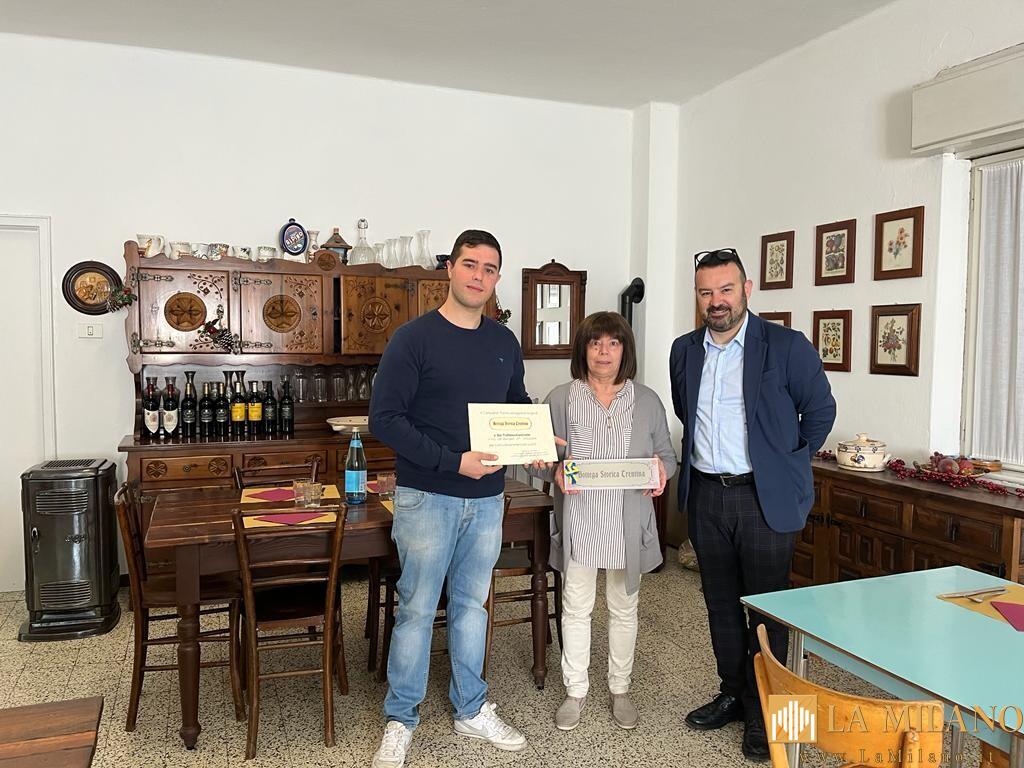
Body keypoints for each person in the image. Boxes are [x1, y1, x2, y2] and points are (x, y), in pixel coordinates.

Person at [368, 229, 534, 768]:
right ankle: (401, 718)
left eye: (489, 268)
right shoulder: (413, 339)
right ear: (450, 268)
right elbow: (385, 419)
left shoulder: (504, 343)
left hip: (486, 500)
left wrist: (535, 441)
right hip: (427, 496)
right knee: (417, 608)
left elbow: (516, 403)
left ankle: (471, 709)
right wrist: (452, 461)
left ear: (497, 278)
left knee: (470, 606)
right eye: (470, 264)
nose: (478, 276)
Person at [668, 248, 836, 762]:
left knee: (766, 609)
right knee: (719, 604)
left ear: (746, 289)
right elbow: (687, 411)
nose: (716, 300)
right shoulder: (684, 350)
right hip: (707, 497)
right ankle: (734, 694)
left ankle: (768, 711)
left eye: (725, 289)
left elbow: (820, 410)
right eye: (706, 292)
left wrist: (783, 461)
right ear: (697, 296)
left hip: (763, 498)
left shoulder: (785, 346)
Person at [531, 311, 677, 732]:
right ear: (583, 349)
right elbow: (537, 458)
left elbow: (667, 458)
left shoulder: (646, 401)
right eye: (595, 343)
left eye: (613, 343)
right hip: (580, 522)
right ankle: (575, 690)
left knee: (624, 608)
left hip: (626, 525)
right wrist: (553, 471)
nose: (603, 352)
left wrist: (660, 473)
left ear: (625, 350)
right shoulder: (561, 398)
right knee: (576, 608)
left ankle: (620, 687)